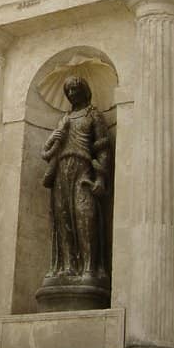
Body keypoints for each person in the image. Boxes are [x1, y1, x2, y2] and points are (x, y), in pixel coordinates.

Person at [41, 76, 111, 281]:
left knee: (85, 216)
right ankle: (68, 266)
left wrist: (100, 178)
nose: (72, 93)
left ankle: (90, 267)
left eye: (75, 89)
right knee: (63, 218)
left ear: (85, 90)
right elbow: (49, 152)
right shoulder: (64, 119)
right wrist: (53, 139)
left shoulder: (93, 115)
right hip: (62, 171)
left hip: (84, 170)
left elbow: (103, 148)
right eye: (69, 90)